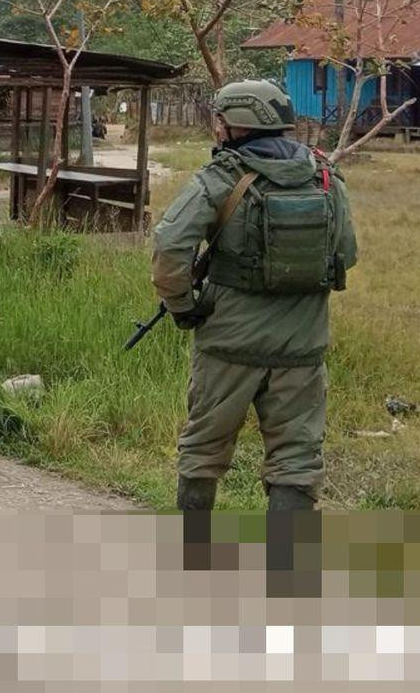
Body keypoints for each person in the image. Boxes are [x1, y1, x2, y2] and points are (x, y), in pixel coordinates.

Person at [151, 79, 357, 514]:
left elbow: (170, 249)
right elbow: (347, 254)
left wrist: (184, 308)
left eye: (220, 119)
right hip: (302, 347)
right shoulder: (325, 175)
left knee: (204, 448)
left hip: (227, 345)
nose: (217, 127)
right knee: (296, 460)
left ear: (235, 124)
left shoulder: (220, 178)